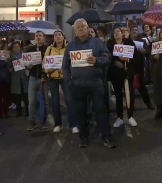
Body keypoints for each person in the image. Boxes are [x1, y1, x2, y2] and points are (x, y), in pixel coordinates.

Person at [62, 18, 115, 148]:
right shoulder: (70, 46)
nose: (80, 29)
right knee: (80, 113)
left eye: (83, 26)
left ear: (87, 28)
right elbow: (65, 66)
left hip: (95, 83)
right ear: (74, 30)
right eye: (78, 27)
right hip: (78, 85)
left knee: (101, 111)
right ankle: (83, 138)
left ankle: (106, 137)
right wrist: (69, 82)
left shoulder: (97, 43)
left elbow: (108, 58)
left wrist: (97, 60)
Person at [43, 30, 78, 133]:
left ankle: (73, 124)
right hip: (53, 78)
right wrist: (47, 70)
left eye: (59, 35)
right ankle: (58, 124)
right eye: (55, 35)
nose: (57, 37)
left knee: (69, 100)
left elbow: (73, 61)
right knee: (54, 101)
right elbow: (45, 62)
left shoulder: (69, 47)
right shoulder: (49, 49)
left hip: (65, 77)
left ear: (63, 36)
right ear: (53, 38)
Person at [107, 27, 138, 127]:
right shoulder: (110, 45)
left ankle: (130, 116)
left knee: (130, 95)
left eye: (118, 31)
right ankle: (119, 117)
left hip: (128, 73)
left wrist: (127, 60)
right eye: (114, 32)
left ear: (122, 33)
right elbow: (108, 58)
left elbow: (136, 56)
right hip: (116, 75)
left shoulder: (129, 43)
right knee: (118, 96)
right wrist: (115, 62)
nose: (116, 33)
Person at [25, 31, 48, 131]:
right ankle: (32, 122)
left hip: (44, 78)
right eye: (36, 36)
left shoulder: (48, 49)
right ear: (34, 38)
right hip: (33, 78)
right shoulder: (30, 49)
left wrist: (45, 76)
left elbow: (49, 63)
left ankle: (43, 122)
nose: (38, 37)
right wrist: (27, 66)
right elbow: (25, 62)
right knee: (32, 102)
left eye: (40, 36)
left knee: (45, 102)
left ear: (43, 38)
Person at [129, 25, 154, 110]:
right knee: (130, 88)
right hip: (129, 67)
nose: (135, 31)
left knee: (142, 86)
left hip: (139, 67)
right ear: (130, 32)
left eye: (136, 30)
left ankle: (148, 103)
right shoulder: (127, 41)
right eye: (133, 30)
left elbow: (148, 51)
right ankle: (131, 106)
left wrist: (144, 51)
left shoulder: (141, 41)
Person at [7, 41, 29, 117]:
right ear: (12, 49)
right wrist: (9, 63)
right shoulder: (10, 56)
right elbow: (9, 68)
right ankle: (18, 111)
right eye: (15, 47)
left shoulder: (24, 55)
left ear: (20, 47)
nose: (16, 48)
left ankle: (27, 111)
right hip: (15, 77)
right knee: (17, 97)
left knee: (25, 96)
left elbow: (28, 64)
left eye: (17, 46)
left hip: (24, 77)